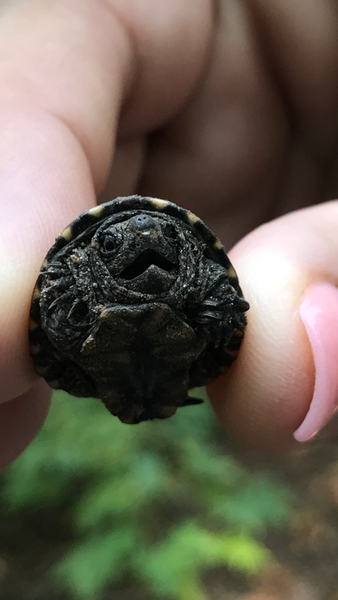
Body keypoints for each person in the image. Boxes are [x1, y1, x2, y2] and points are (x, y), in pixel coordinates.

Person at [1, 0, 337, 469]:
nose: (144, 242)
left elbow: (229, 310)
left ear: (185, 251)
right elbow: (48, 314)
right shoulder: (76, 272)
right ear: (93, 255)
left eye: (165, 242)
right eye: (116, 244)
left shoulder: (200, 278)